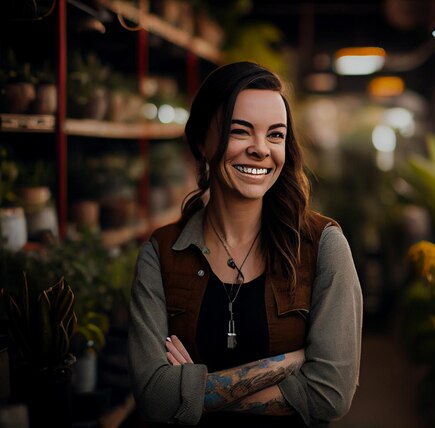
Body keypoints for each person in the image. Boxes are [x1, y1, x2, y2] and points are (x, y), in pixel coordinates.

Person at [128, 61, 363, 427]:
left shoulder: (323, 247)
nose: (260, 149)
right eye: (240, 132)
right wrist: (290, 362)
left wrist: (193, 393)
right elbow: (154, 398)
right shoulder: (161, 254)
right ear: (203, 141)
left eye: (275, 135)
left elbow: (330, 395)